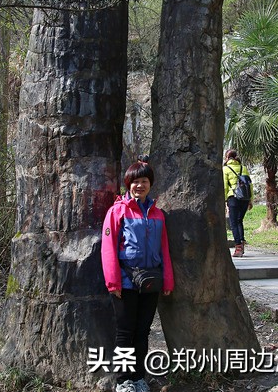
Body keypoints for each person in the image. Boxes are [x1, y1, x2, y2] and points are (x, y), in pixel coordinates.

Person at [101, 158, 174, 392]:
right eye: (135, 181)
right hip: (125, 281)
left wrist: (168, 280)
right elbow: (108, 247)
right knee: (125, 332)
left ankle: (138, 377)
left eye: (144, 181)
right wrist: (113, 282)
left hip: (151, 281)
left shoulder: (158, 214)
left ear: (150, 184)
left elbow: (164, 249)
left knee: (143, 332)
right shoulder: (117, 211)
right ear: (128, 184)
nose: (139, 186)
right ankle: (123, 381)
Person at [224, 149, 251, 257]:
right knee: (240, 221)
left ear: (227, 158)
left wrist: (224, 200)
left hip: (233, 198)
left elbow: (225, 186)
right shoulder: (243, 168)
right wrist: (251, 199)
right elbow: (250, 184)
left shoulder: (226, 169)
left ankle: (238, 247)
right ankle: (242, 241)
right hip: (245, 198)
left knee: (233, 222)